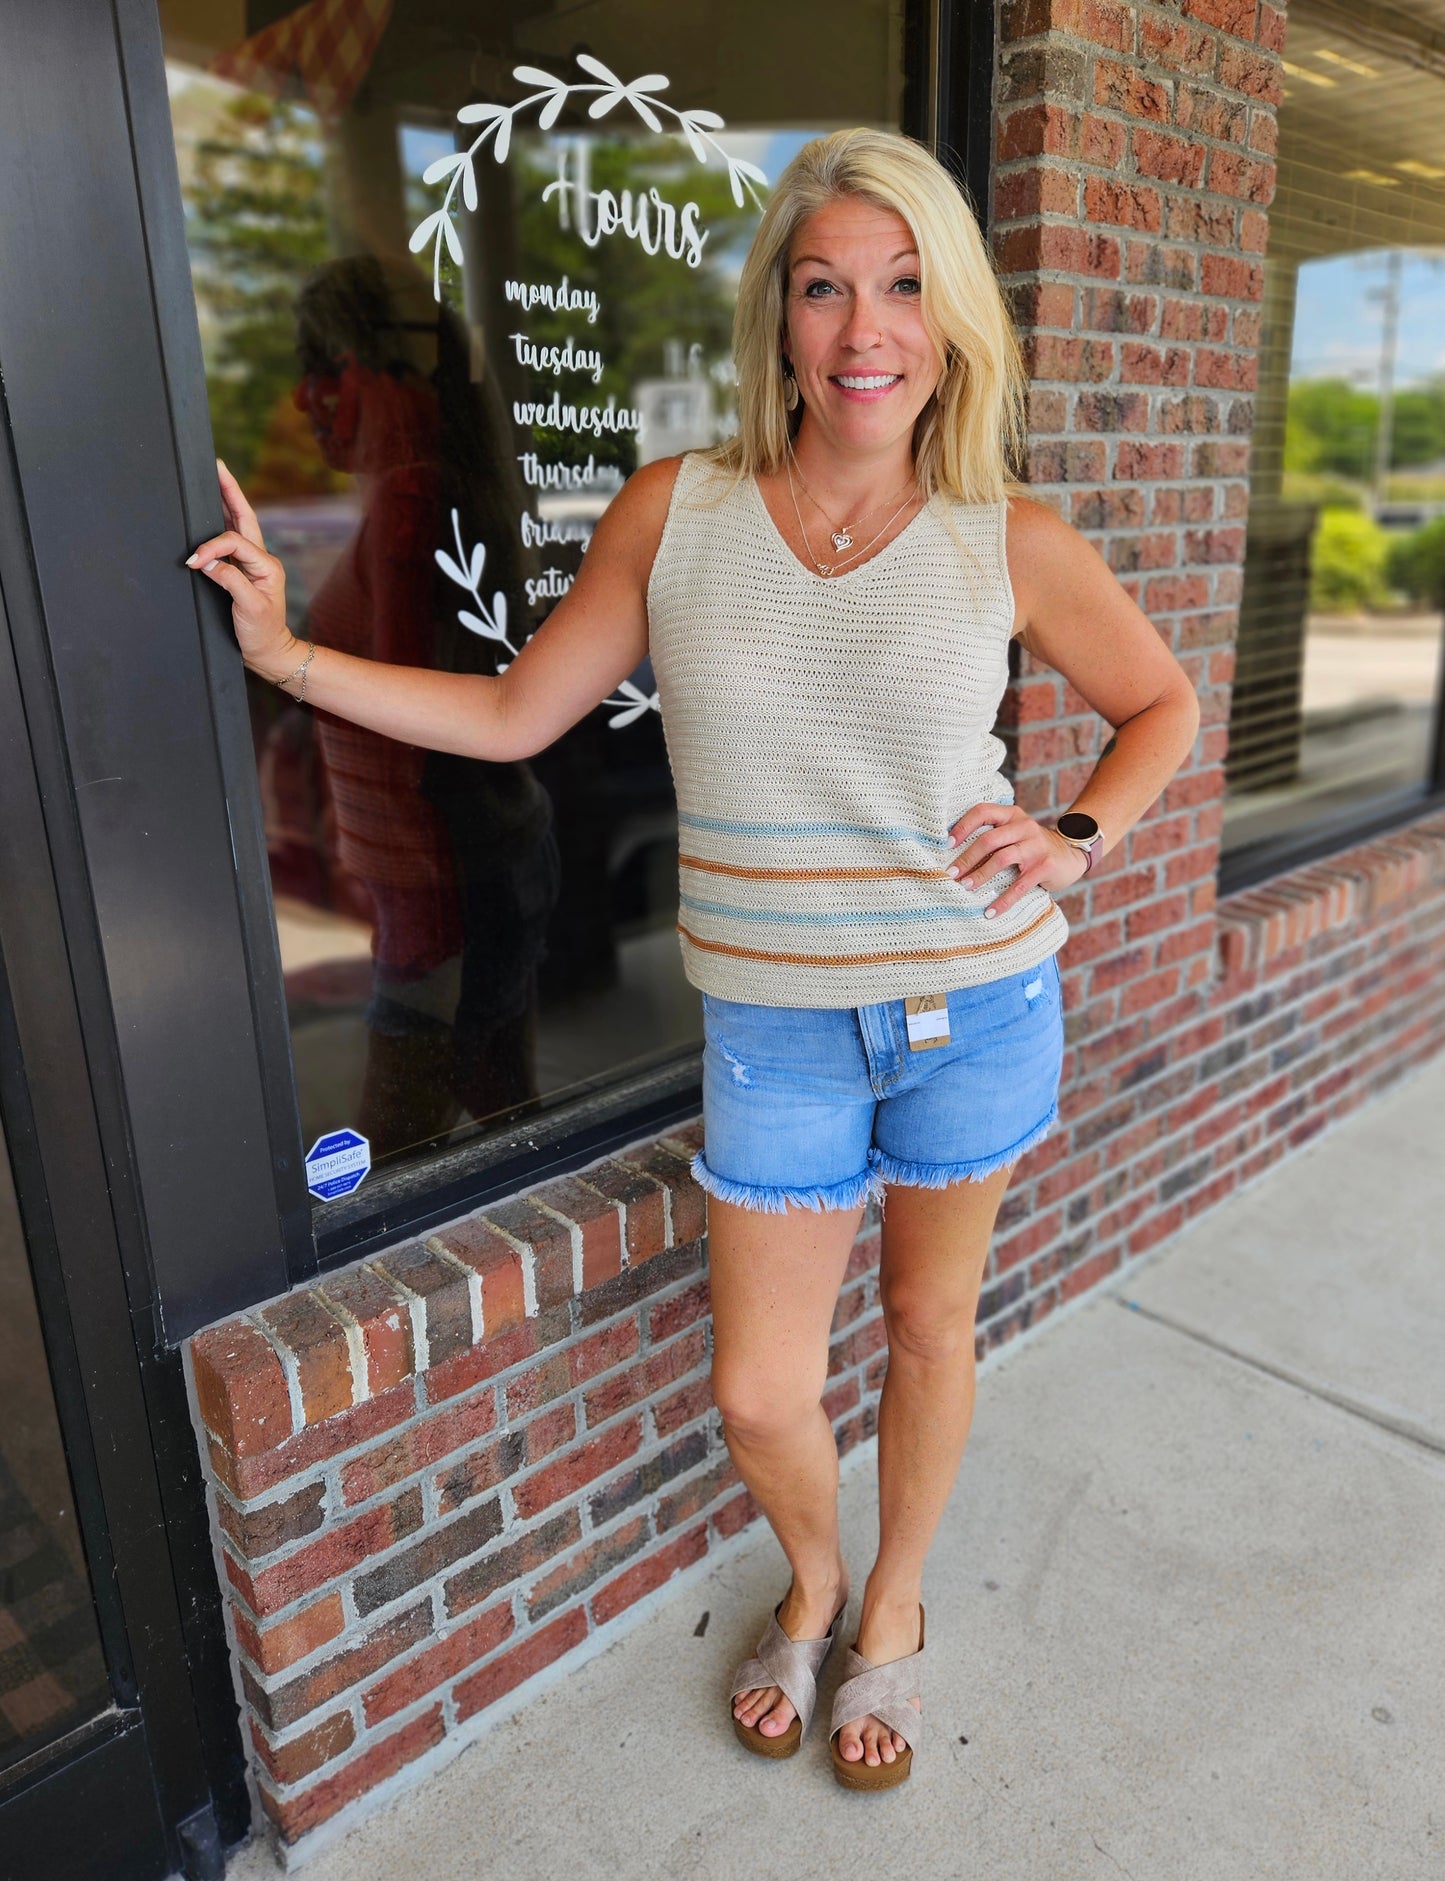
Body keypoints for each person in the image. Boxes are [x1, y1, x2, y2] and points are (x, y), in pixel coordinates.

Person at [188, 128, 1199, 1791]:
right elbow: (518, 711)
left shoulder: (1001, 532)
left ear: (948, 319)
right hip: (777, 1033)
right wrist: (291, 653)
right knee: (756, 1388)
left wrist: (1076, 834)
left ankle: (890, 1609)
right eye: (823, 289)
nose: (863, 328)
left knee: (931, 1333)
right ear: (780, 321)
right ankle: (807, 1575)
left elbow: (1159, 705)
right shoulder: (681, 510)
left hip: (976, 1001)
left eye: (899, 287)